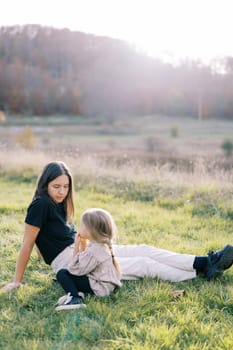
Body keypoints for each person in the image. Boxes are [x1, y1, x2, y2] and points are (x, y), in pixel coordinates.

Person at [2, 161, 233, 293]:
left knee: (144, 249)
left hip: (84, 252)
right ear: (45, 184)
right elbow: (27, 244)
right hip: (71, 260)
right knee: (142, 264)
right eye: (56, 186)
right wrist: (17, 280)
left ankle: (203, 261)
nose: (62, 191)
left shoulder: (57, 204)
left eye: (65, 186)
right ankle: (201, 271)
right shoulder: (40, 204)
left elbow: (53, 238)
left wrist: (84, 247)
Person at [55, 208, 122, 311]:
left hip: (100, 288)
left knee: (62, 273)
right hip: (106, 285)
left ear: (90, 231)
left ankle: (75, 297)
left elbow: (75, 269)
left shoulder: (94, 251)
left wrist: (76, 247)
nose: (79, 228)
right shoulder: (100, 245)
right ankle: (77, 292)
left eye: (82, 226)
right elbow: (85, 263)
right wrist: (83, 244)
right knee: (67, 274)